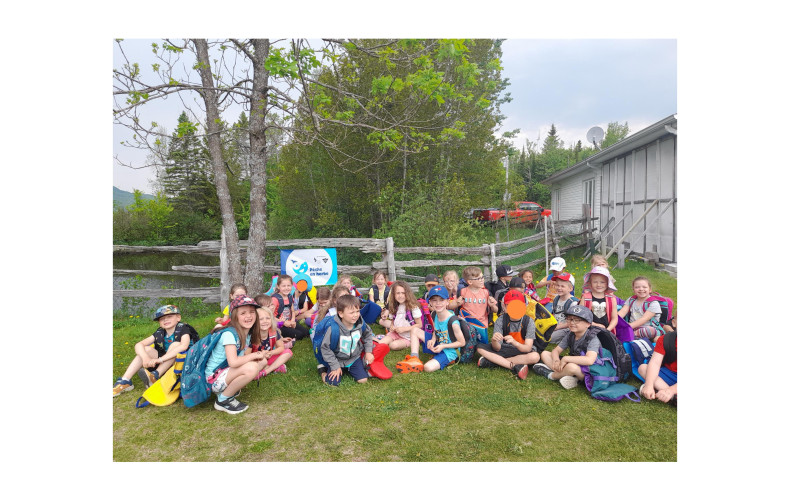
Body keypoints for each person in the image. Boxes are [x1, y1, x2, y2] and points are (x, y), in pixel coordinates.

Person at [113, 305, 200, 397]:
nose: (165, 320)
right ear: (159, 322)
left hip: (186, 362)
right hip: (168, 362)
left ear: (178, 317)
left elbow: (183, 346)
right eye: (162, 319)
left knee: (176, 345)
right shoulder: (160, 332)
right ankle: (126, 380)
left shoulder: (184, 328)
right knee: (145, 349)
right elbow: (138, 345)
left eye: (169, 316)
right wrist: (145, 358)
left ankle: (155, 375)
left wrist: (160, 360)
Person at [205, 295, 269, 414]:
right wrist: (254, 356)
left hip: (223, 373)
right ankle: (223, 400)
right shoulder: (229, 334)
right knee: (253, 367)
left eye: (251, 312)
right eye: (243, 313)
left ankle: (230, 390)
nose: (249, 316)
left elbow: (242, 357)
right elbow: (233, 362)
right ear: (235, 316)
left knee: (262, 362)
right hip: (212, 380)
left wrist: (259, 355)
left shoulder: (246, 333)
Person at [395, 286, 466, 373]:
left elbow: (462, 343)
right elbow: (436, 330)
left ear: (447, 302)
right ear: (430, 302)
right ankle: (414, 358)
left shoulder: (453, 322)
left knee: (427, 367)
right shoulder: (434, 314)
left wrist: (443, 346)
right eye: (434, 300)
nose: (438, 303)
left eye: (441, 300)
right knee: (414, 330)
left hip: (449, 350)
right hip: (439, 343)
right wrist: (432, 339)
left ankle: (449, 360)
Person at [531, 305, 601, 390]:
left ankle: (552, 375)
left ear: (588, 324)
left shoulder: (592, 338)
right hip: (573, 363)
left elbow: (590, 360)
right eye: (570, 319)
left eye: (577, 320)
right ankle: (568, 376)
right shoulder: (571, 334)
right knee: (545, 354)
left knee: (571, 367)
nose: (572, 323)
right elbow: (556, 351)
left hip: (589, 371)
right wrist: (556, 361)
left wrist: (566, 359)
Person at [476, 290, 540, 379]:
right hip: (504, 349)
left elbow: (527, 348)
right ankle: (513, 366)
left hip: (522, 351)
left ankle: (494, 362)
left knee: (535, 356)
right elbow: (497, 348)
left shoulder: (528, 321)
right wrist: (494, 340)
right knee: (479, 348)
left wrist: (515, 342)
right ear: (504, 307)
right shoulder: (501, 320)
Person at [321, 295, 375, 386]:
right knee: (331, 383)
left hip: (354, 358)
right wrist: (335, 366)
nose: (355, 315)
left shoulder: (361, 324)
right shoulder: (333, 329)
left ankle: (349, 369)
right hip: (337, 359)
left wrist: (368, 352)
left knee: (363, 380)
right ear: (341, 314)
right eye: (351, 312)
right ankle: (322, 370)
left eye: (357, 311)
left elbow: (368, 335)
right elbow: (325, 348)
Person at [458, 266, 498, 362]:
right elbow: (459, 308)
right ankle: (467, 353)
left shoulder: (486, 292)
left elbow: (496, 310)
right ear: (470, 281)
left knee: (483, 346)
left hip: (482, 324)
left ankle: (486, 356)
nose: (482, 280)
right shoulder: (463, 291)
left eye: (482, 277)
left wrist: (492, 306)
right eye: (478, 278)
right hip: (467, 323)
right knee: (467, 343)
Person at [378, 280, 424, 351]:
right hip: (396, 333)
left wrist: (404, 329)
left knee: (393, 345)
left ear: (407, 294)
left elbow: (419, 325)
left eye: (403, 293)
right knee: (380, 343)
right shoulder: (394, 306)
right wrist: (392, 326)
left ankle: (410, 343)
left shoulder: (413, 307)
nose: (400, 296)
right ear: (394, 295)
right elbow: (393, 320)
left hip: (408, 337)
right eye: (398, 293)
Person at [251, 305, 292, 378]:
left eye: (268, 318)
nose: (265, 321)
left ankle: (266, 371)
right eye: (261, 319)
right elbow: (246, 354)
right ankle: (275, 367)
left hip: (268, 356)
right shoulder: (252, 335)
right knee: (263, 362)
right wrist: (261, 355)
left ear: (272, 320)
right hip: (256, 361)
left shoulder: (274, 332)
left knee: (288, 352)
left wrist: (271, 352)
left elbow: (281, 347)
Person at [618, 276, 664, 341]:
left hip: (648, 328)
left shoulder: (653, 303)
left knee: (649, 330)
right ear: (633, 290)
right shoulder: (631, 300)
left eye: (644, 287)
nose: (641, 289)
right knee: (616, 325)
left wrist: (627, 327)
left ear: (650, 289)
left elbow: (644, 319)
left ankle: (629, 335)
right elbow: (622, 312)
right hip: (632, 327)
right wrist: (614, 321)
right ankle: (631, 336)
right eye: (637, 287)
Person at [638, 329, 677, 406]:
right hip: (670, 373)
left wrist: (671, 390)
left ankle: (668, 394)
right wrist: (649, 385)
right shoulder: (666, 339)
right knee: (643, 368)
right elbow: (655, 363)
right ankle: (673, 397)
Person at [580, 266, 619, 333]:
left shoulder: (612, 299)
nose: (598, 285)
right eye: (595, 282)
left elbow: (614, 318)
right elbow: (580, 316)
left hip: (607, 331)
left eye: (602, 282)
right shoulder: (585, 298)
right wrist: (595, 325)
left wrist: (608, 330)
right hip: (588, 330)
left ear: (607, 283)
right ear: (590, 283)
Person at [271, 275, 311, 341]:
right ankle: (280, 337)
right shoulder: (275, 299)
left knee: (306, 333)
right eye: (283, 286)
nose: (286, 288)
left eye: (288, 286)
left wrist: (292, 320)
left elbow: (292, 311)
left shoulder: (290, 297)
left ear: (292, 286)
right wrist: (283, 323)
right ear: (278, 286)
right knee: (299, 335)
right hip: (279, 325)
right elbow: (270, 315)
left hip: (289, 322)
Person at [548, 273, 579, 343]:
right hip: (556, 325)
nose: (559, 288)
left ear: (570, 288)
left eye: (562, 286)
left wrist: (558, 327)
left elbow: (575, 321)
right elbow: (554, 314)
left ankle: (568, 339)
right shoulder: (556, 299)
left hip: (567, 328)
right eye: (557, 285)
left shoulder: (573, 303)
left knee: (549, 338)